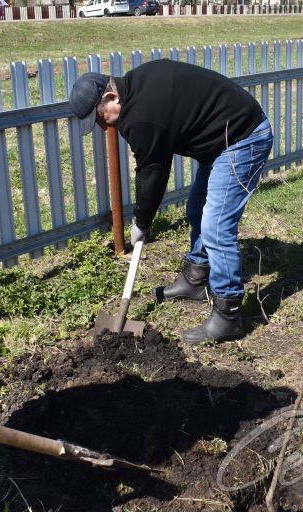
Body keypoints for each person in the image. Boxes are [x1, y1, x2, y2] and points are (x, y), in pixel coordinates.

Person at [68, 59, 274, 344]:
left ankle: (229, 316)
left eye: (100, 118)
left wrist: (142, 222)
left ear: (111, 97)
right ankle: (195, 280)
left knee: (216, 226)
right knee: (196, 209)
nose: (103, 127)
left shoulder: (141, 117)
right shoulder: (135, 87)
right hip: (219, 140)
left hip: (242, 138)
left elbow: (152, 173)